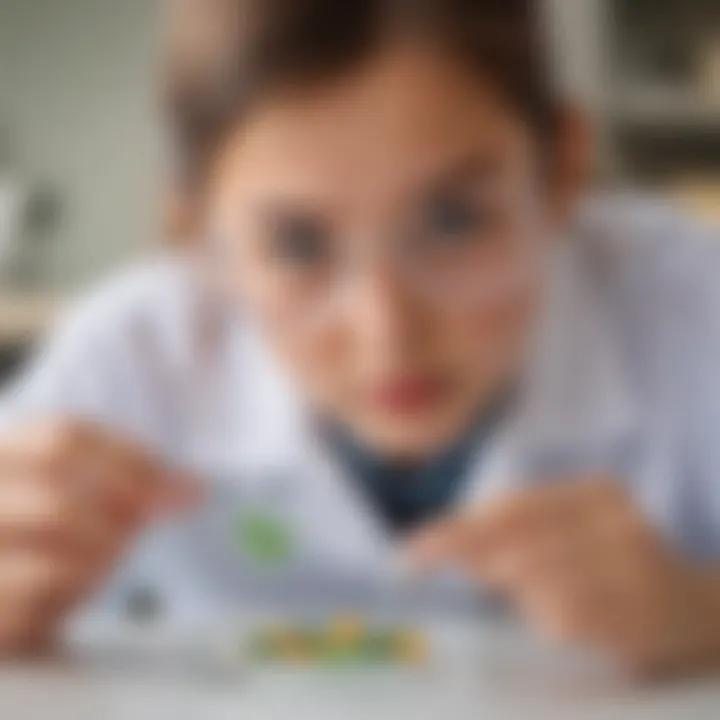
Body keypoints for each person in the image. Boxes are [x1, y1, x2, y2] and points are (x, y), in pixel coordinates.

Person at [0, 0, 719, 675]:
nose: (388, 336)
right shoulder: (125, 360)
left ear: (563, 168)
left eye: (452, 222)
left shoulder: (691, 314)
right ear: (197, 232)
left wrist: (700, 610)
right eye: (297, 244)